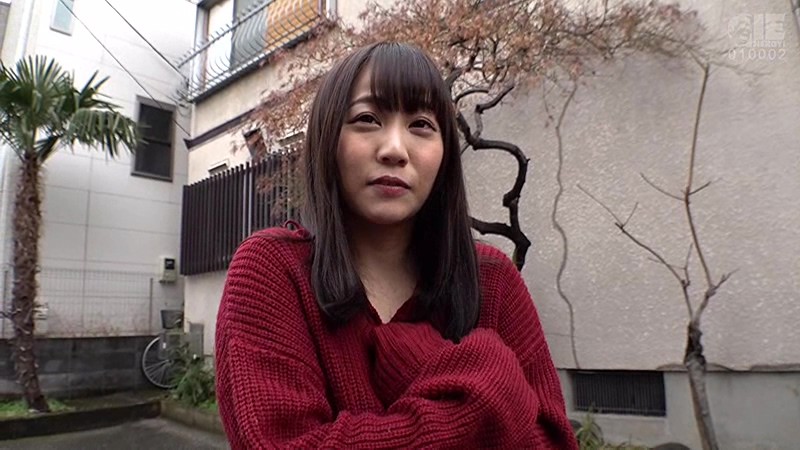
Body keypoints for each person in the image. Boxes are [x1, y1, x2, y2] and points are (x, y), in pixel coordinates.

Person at [215, 42, 579, 449]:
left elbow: (552, 441)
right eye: (367, 119)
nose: (394, 150)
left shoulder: (492, 281)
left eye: (421, 125)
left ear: (445, 154)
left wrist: (422, 365)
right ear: (328, 139)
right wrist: (485, 387)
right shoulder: (272, 272)